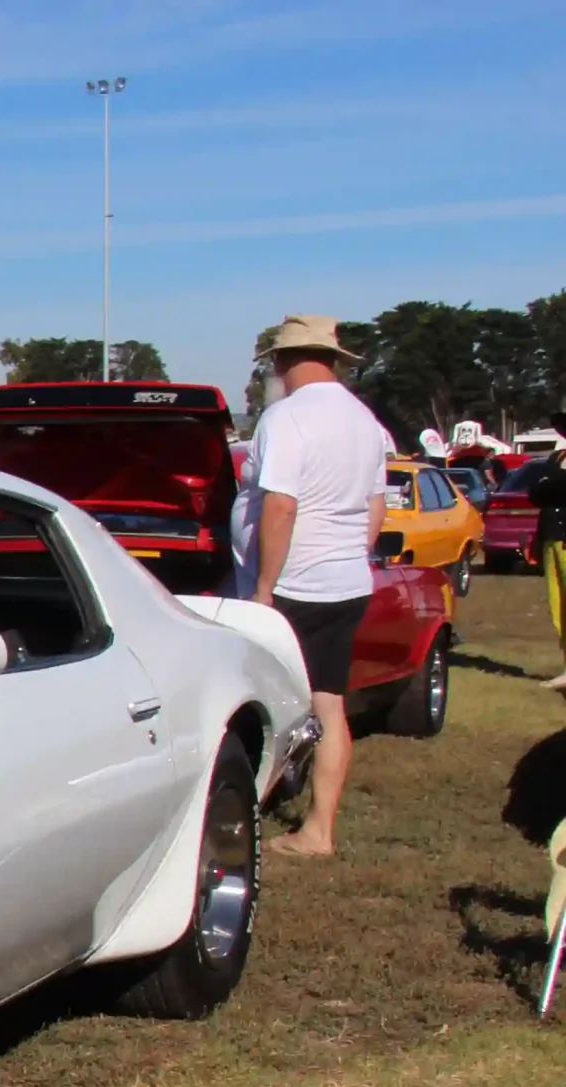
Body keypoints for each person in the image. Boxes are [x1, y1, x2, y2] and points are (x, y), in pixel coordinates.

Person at [243, 314, 394, 858]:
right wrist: (350, 554)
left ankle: (240, 809)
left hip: (294, 586)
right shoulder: (366, 421)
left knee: (254, 699)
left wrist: (264, 587)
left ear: (284, 362)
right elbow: (374, 508)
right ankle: (319, 830)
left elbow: (281, 505)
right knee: (329, 705)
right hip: (346, 580)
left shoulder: (286, 418)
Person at [529, 410, 566, 690]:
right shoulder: (557, 459)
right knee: (557, 604)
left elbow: (549, 488)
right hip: (551, 534)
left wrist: (550, 487)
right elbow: (536, 493)